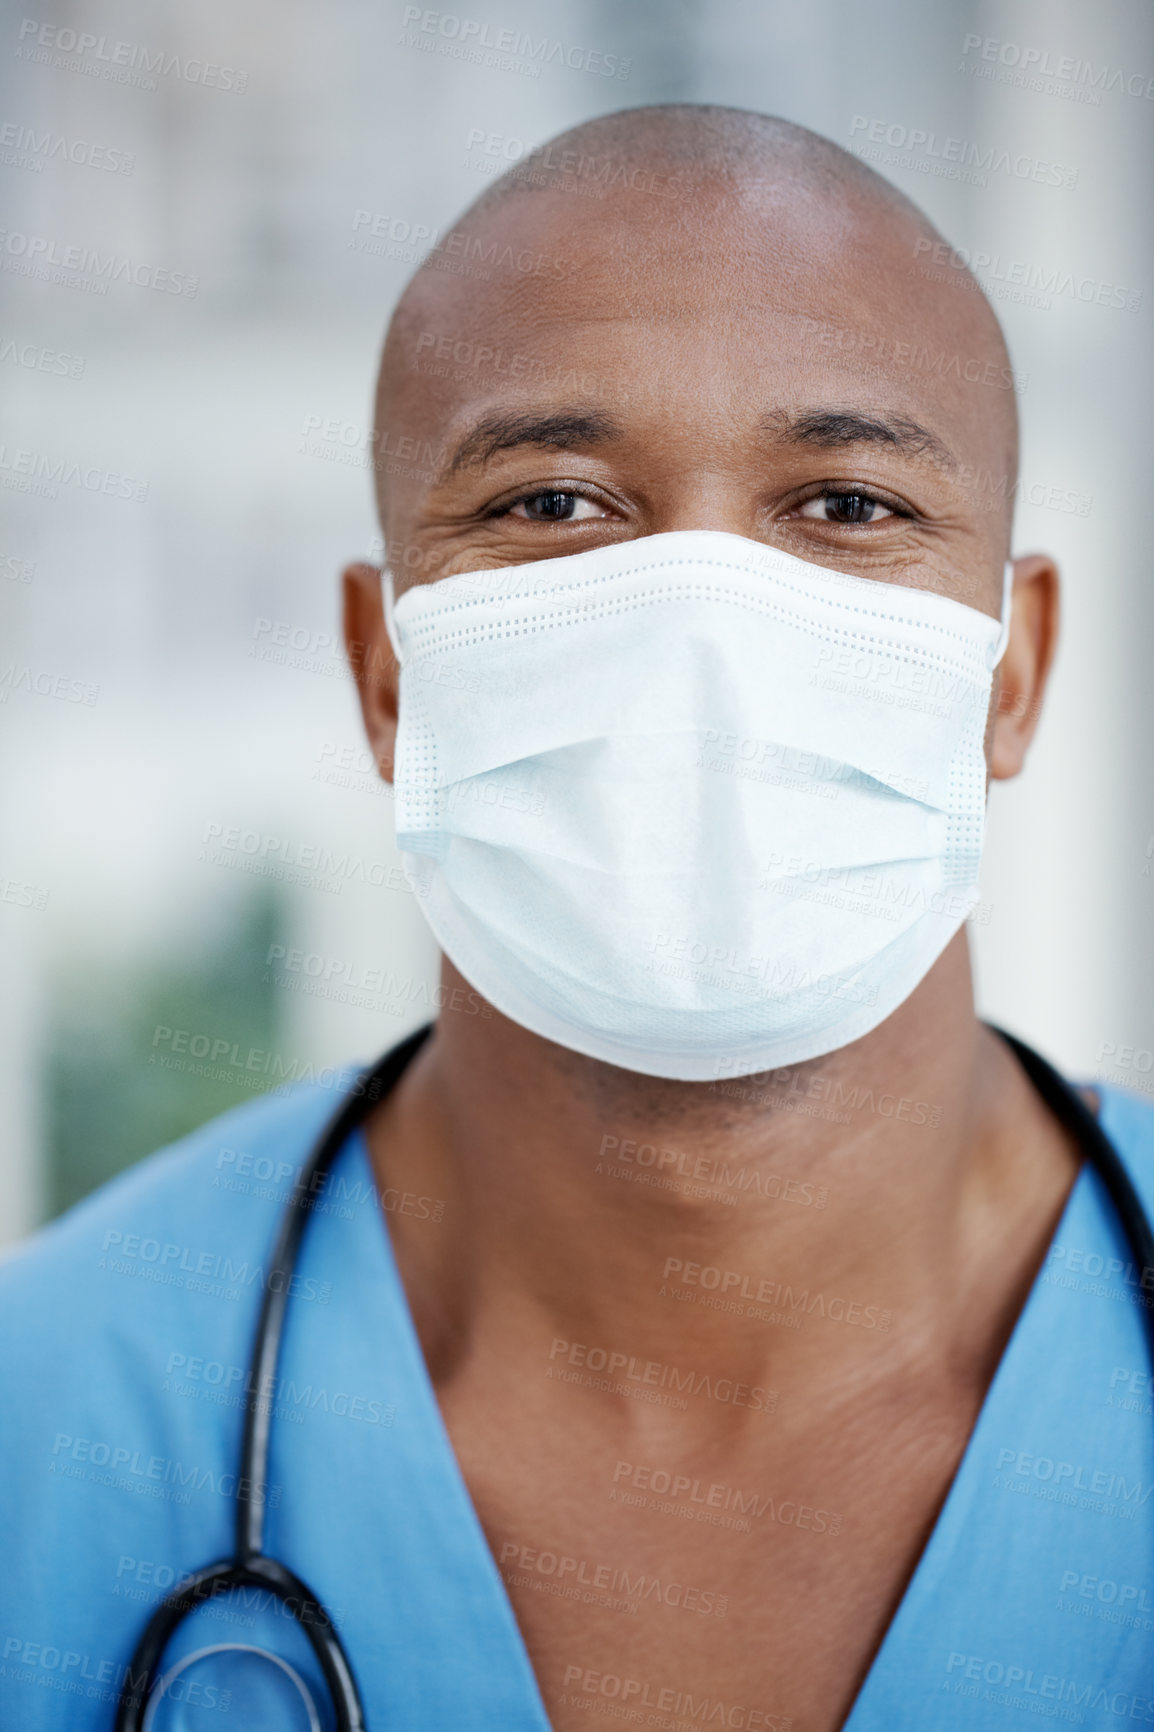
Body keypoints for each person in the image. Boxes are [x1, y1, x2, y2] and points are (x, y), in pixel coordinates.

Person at [2, 104, 1152, 1732]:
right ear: (385, 675)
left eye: (841, 505)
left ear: (1012, 672)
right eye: (551, 505)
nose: (701, 627)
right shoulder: (42, 1421)